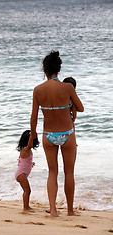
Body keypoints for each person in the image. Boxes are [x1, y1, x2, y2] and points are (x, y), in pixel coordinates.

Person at [30, 51, 84, 217]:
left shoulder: (38, 90)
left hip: (48, 135)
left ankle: (53, 210)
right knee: (69, 172)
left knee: (52, 172)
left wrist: (33, 136)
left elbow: (33, 117)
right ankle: (69, 210)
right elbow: (80, 108)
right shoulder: (67, 87)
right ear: (59, 69)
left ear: (44, 69)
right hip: (67, 134)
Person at [15, 130, 39, 212]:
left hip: (22, 173)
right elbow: (29, 145)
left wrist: (31, 163)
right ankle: (25, 208)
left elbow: (24, 161)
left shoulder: (26, 150)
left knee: (27, 190)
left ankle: (27, 206)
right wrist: (32, 136)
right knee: (27, 190)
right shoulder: (26, 149)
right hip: (21, 174)